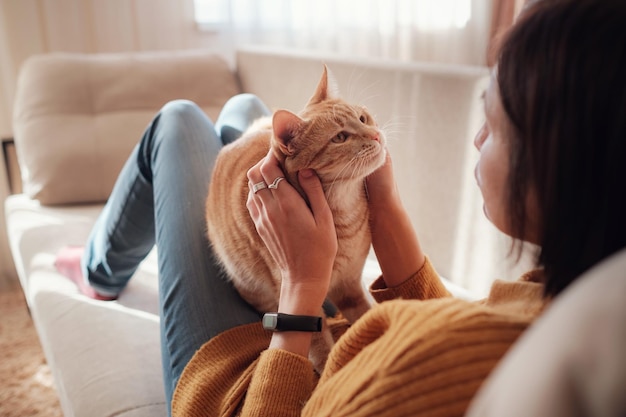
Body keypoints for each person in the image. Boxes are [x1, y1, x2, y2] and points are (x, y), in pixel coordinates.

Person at [54, 0, 626, 415]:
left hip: (245, 380)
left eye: (493, 122)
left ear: (564, 158)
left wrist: (302, 283)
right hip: (291, 321)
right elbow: (446, 324)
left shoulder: (495, 364)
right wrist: (388, 210)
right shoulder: (561, 291)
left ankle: (99, 270)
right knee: (247, 108)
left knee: (178, 120)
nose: (476, 140)